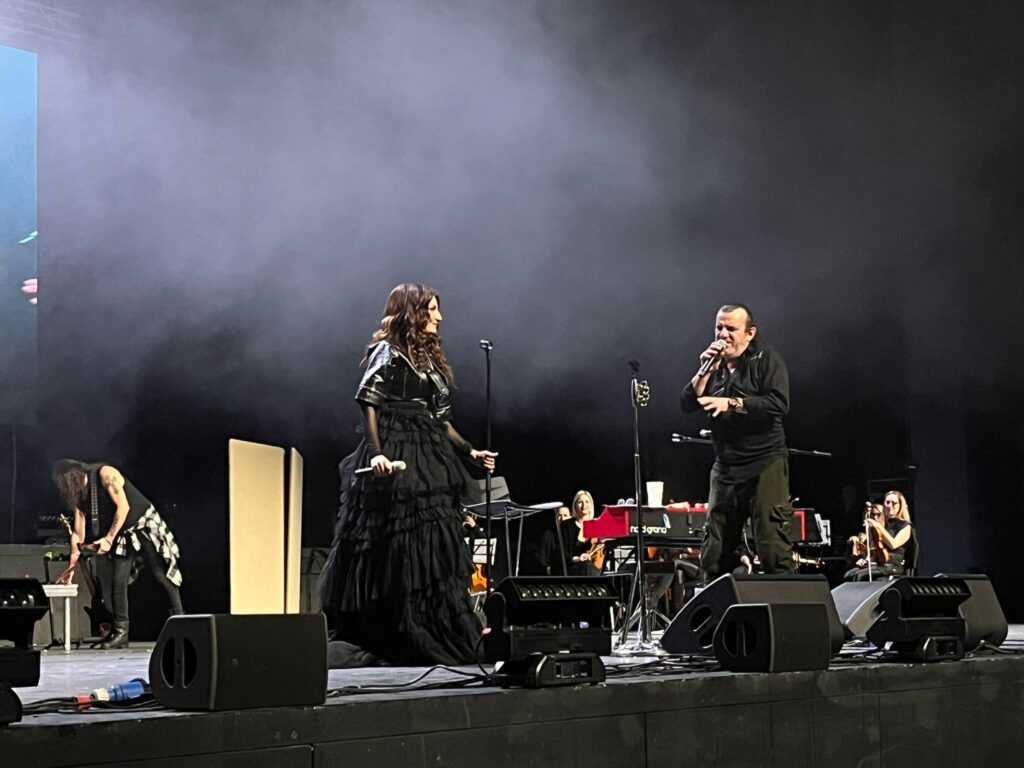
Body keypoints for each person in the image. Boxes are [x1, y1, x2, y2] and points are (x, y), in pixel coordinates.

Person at [319, 283, 497, 666]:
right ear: (412, 312)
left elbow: (442, 419)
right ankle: (394, 627)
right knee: (395, 537)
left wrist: (470, 451)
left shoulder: (429, 359)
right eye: (431, 309)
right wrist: (378, 453)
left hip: (427, 448)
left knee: (432, 536)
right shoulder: (388, 351)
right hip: (396, 443)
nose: (439, 317)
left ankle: (433, 623)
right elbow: (368, 401)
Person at [681, 303, 794, 582]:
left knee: (771, 544)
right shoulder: (715, 366)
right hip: (726, 466)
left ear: (750, 333)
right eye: (719, 327)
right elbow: (686, 403)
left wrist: (732, 403)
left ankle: (784, 604)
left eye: (731, 328)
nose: (723, 334)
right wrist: (705, 371)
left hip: (764, 461)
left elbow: (778, 403)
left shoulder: (766, 359)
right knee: (715, 549)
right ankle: (719, 604)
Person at [51, 460, 183, 649]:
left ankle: (181, 624)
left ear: (71, 478)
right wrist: (71, 569)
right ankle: (121, 633)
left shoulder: (105, 474)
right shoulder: (79, 496)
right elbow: (78, 535)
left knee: (161, 574)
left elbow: (124, 507)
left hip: (144, 523)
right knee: (118, 581)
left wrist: (108, 539)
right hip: (123, 533)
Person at [844, 492, 914, 580]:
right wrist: (866, 561)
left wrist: (879, 527)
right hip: (879, 563)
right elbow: (875, 550)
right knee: (849, 575)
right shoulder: (883, 524)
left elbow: (893, 544)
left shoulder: (906, 526)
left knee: (861, 576)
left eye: (894, 503)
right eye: (887, 502)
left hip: (893, 565)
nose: (890, 506)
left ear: (900, 505)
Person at [553, 490, 602, 576]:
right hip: (573, 567)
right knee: (585, 566)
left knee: (588, 566)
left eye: (587, 502)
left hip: (593, 568)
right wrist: (576, 559)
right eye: (580, 502)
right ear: (574, 506)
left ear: (591, 505)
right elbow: (560, 550)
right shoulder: (566, 525)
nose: (584, 505)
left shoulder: (597, 525)